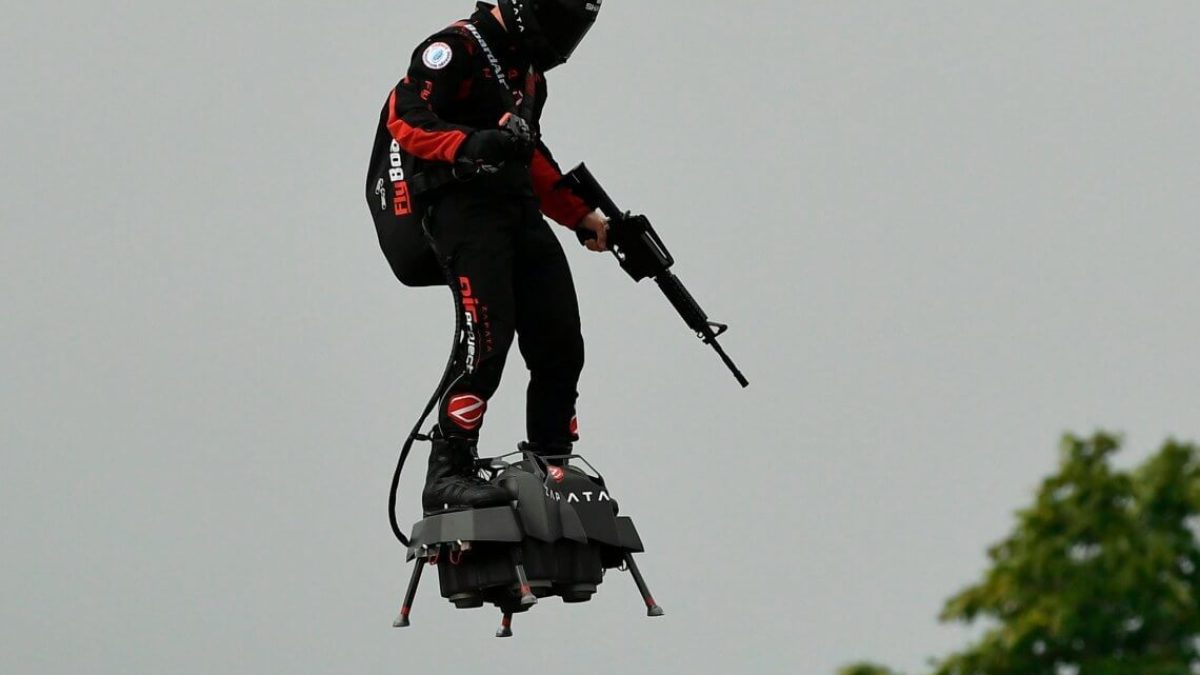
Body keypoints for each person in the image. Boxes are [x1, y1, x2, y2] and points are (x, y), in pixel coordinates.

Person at [366, 1, 608, 513]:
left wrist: (584, 217)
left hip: (516, 209)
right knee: (488, 335)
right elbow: (404, 119)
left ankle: (552, 464)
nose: (568, 38)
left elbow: (532, 158)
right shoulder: (453, 48)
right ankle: (447, 470)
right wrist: (472, 143)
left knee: (560, 337)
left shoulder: (530, 76)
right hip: (461, 207)